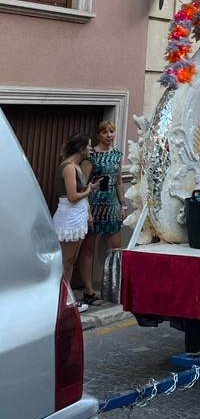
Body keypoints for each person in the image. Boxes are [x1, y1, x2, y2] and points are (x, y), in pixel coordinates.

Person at [78, 120, 126, 307]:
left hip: (112, 205)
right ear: (98, 135)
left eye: (112, 131)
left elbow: (119, 181)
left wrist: (123, 204)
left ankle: (114, 290)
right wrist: (87, 208)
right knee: (88, 249)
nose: (109, 135)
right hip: (94, 205)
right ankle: (89, 291)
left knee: (114, 250)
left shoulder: (116, 155)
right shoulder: (92, 156)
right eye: (105, 132)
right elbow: (83, 183)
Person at [51, 134, 99, 313]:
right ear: (81, 149)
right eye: (88, 146)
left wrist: (87, 210)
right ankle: (59, 300)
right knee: (66, 260)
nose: (90, 149)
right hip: (69, 216)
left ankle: (66, 298)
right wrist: (89, 190)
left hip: (76, 215)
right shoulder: (69, 167)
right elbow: (72, 196)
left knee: (71, 260)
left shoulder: (77, 167)